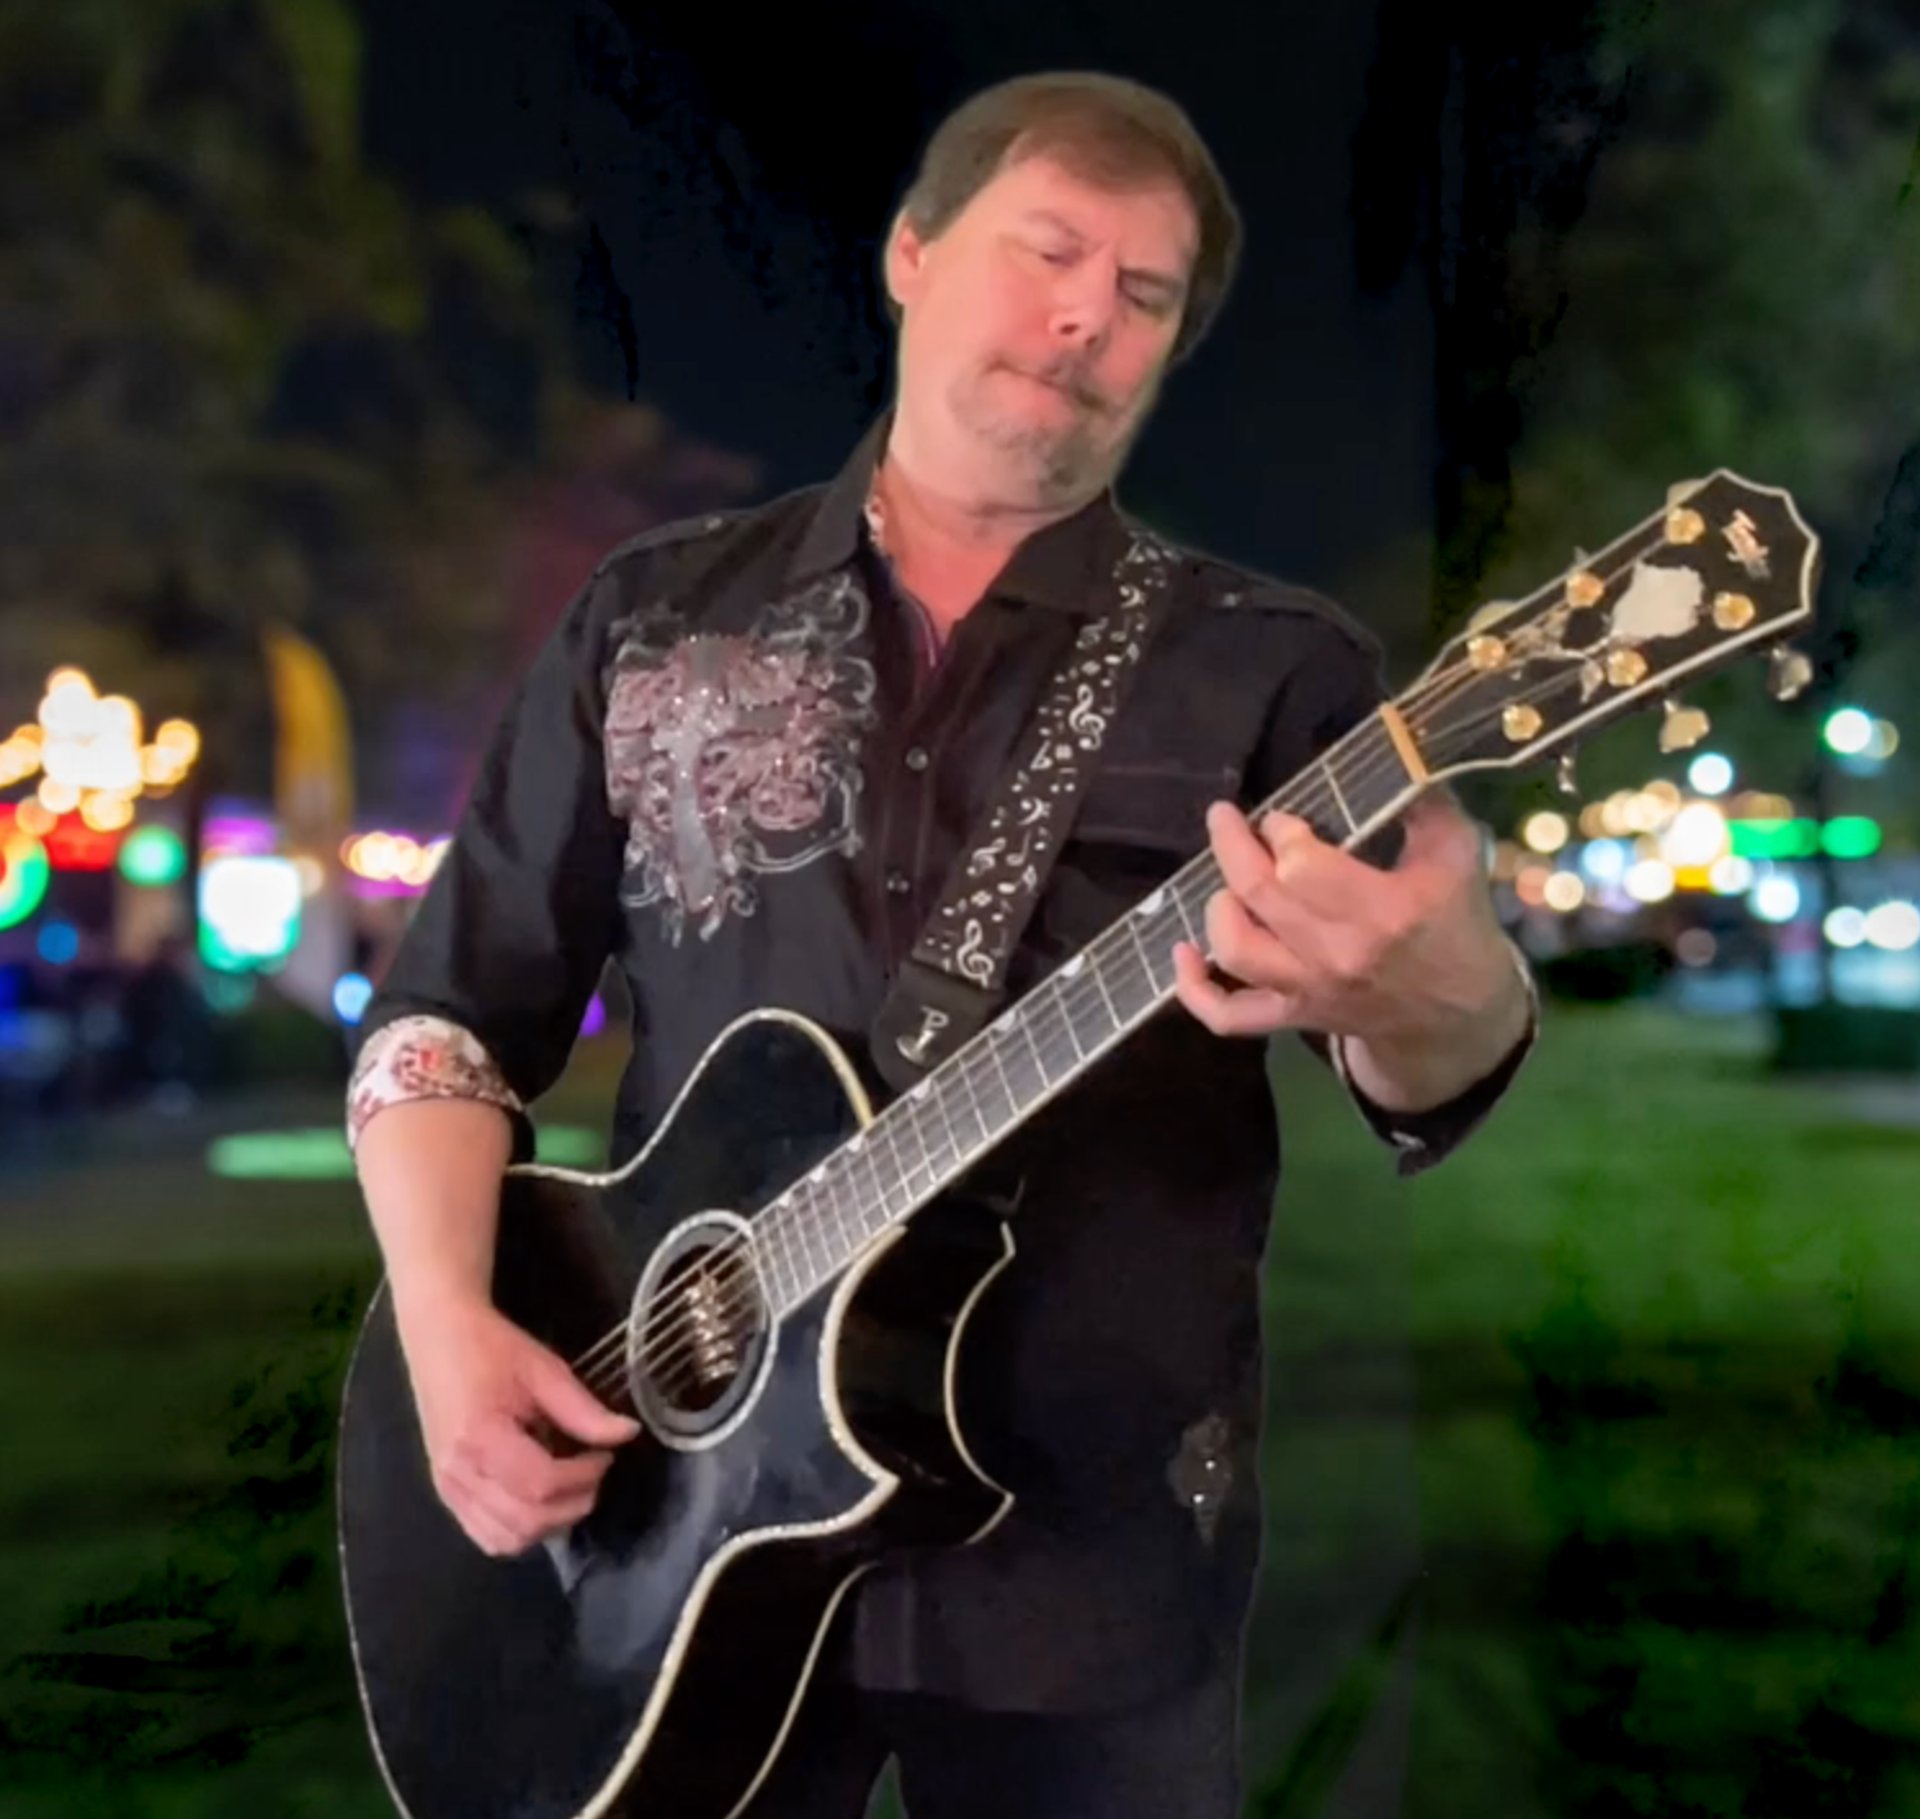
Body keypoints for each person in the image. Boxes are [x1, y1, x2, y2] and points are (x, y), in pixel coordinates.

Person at [347, 69, 1537, 1819]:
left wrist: (1441, 987)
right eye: (1048, 251)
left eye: (1144, 298)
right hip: (662, 1535)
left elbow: (1432, 1060)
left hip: (1093, 1568)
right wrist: (452, 1332)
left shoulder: (1274, 671)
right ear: (910, 255)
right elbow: (442, 1020)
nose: (1085, 318)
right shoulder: (652, 620)